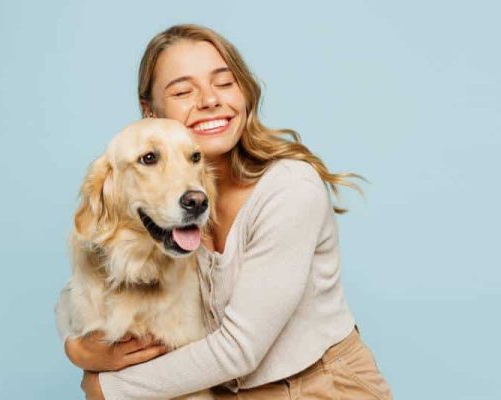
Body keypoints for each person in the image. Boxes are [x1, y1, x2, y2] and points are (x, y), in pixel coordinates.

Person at [60, 24, 393, 399]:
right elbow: (88, 282)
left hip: (323, 388)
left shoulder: (290, 190)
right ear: (149, 112)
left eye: (224, 82)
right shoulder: (158, 206)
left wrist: (107, 387)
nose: (209, 100)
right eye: (183, 91)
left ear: (245, 93)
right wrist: (77, 347)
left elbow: (239, 349)